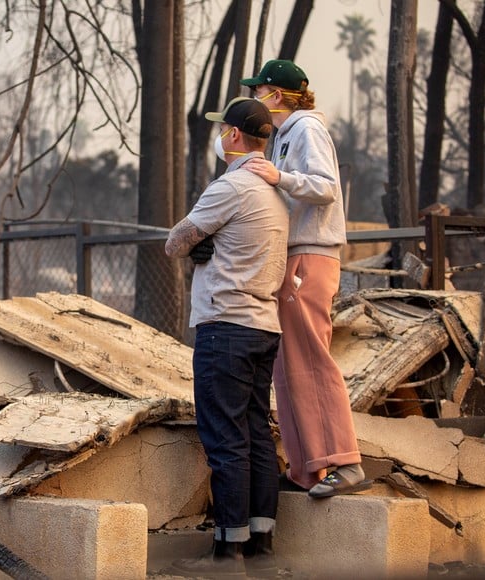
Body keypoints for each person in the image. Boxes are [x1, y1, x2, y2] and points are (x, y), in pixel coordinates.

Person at [164, 96, 287, 578]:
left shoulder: (232, 186)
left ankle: (226, 552)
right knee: (256, 432)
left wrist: (199, 245)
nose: (221, 137)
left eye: (223, 130)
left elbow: (175, 241)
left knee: (225, 438)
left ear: (234, 135)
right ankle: (261, 543)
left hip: (225, 327)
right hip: (263, 327)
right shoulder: (277, 193)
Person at [239, 59, 371, 498]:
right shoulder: (285, 136)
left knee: (311, 359)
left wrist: (280, 177)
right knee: (288, 365)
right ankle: (307, 469)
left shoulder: (306, 129)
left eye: (260, 91)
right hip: (292, 256)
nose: (256, 98)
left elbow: (326, 185)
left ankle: (344, 462)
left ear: (277, 95)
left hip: (310, 257)